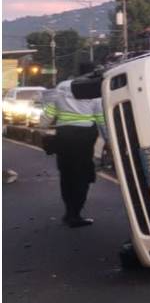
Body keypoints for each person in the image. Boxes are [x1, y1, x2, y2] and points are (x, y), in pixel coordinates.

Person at [39, 76, 107, 228]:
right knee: (82, 175)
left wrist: (42, 129)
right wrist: (109, 138)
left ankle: (69, 212)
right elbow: (101, 117)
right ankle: (75, 215)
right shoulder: (93, 89)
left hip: (64, 135)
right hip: (85, 137)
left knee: (66, 173)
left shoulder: (62, 86)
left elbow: (49, 111)